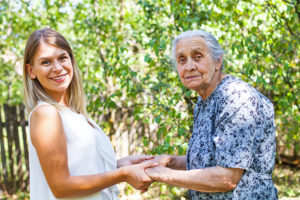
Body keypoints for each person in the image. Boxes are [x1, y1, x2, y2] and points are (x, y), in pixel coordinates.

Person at [23, 28, 158, 200]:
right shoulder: (45, 114)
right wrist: (123, 174)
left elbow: (82, 171)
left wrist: (120, 165)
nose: (57, 68)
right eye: (46, 62)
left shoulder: (73, 114)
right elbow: (61, 186)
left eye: (62, 58)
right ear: (31, 71)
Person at [145, 30, 278, 199]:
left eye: (198, 56)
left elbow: (226, 178)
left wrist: (161, 174)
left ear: (218, 61)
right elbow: (209, 162)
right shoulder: (205, 99)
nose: (189, 66)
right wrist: (170, 162)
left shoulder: (236, 97)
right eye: (182, 60)